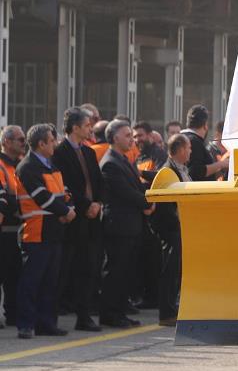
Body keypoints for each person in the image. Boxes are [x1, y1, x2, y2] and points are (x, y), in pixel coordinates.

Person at [15, 123, 75, 339]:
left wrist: (70, 208)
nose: (55, 144)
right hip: (36, 232)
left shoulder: (51, 166)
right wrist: (65, 211)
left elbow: (64, 192)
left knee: (51, 281)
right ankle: (26, 324)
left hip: (54, 231)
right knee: (32, 281)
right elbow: (42, 197)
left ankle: (46, 323)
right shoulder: (28, 167)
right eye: (52, 141)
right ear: (41, 144)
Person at [52, 108, 104, 332]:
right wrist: (85, 205)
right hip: (74, 219)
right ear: (75, 128)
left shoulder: (90, 152)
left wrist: (98, 203)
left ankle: (84, 316)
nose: (90, 129)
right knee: (64, 271)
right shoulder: (59, 153)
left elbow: (99, 183)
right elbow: (66, 186)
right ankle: (50, 317)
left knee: (88, 269)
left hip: (92, 220)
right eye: (86, 125)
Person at [99, 119, 152, 328]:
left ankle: (120, 311)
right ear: (114, 138)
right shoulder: (110, 162)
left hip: (131, 224)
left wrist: (148, 197)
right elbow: (125, 192)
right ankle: (110, 313)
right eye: (127, 135)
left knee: (126, 271)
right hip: (119, 225)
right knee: (116, 271)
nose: (132, 139)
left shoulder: (123, 159)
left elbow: (137, 185)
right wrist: (147, 201)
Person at [151, 134, 189, 326]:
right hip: (171, 229)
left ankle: (173, 308)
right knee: (170, 271)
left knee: (176, 271)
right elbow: (166, 205)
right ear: (180, 149)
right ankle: (166, 313)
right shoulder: (167, 171)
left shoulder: (181, 169)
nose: (190, 151)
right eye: (188, 148)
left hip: (181, 228)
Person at [0, 126, 23, 328]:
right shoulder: (0, 166)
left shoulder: (21, 165)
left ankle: (13, 314)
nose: (23, 143)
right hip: (4, 229)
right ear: (6, 142)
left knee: (14, 275)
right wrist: (18, 206)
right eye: (19, 139)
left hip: (19, 228)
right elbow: (5, 198)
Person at [181, 105, 229, 182]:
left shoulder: (182, 137)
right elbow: (197, 172)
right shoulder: (194, 141)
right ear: (205, 125)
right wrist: (222, 164)